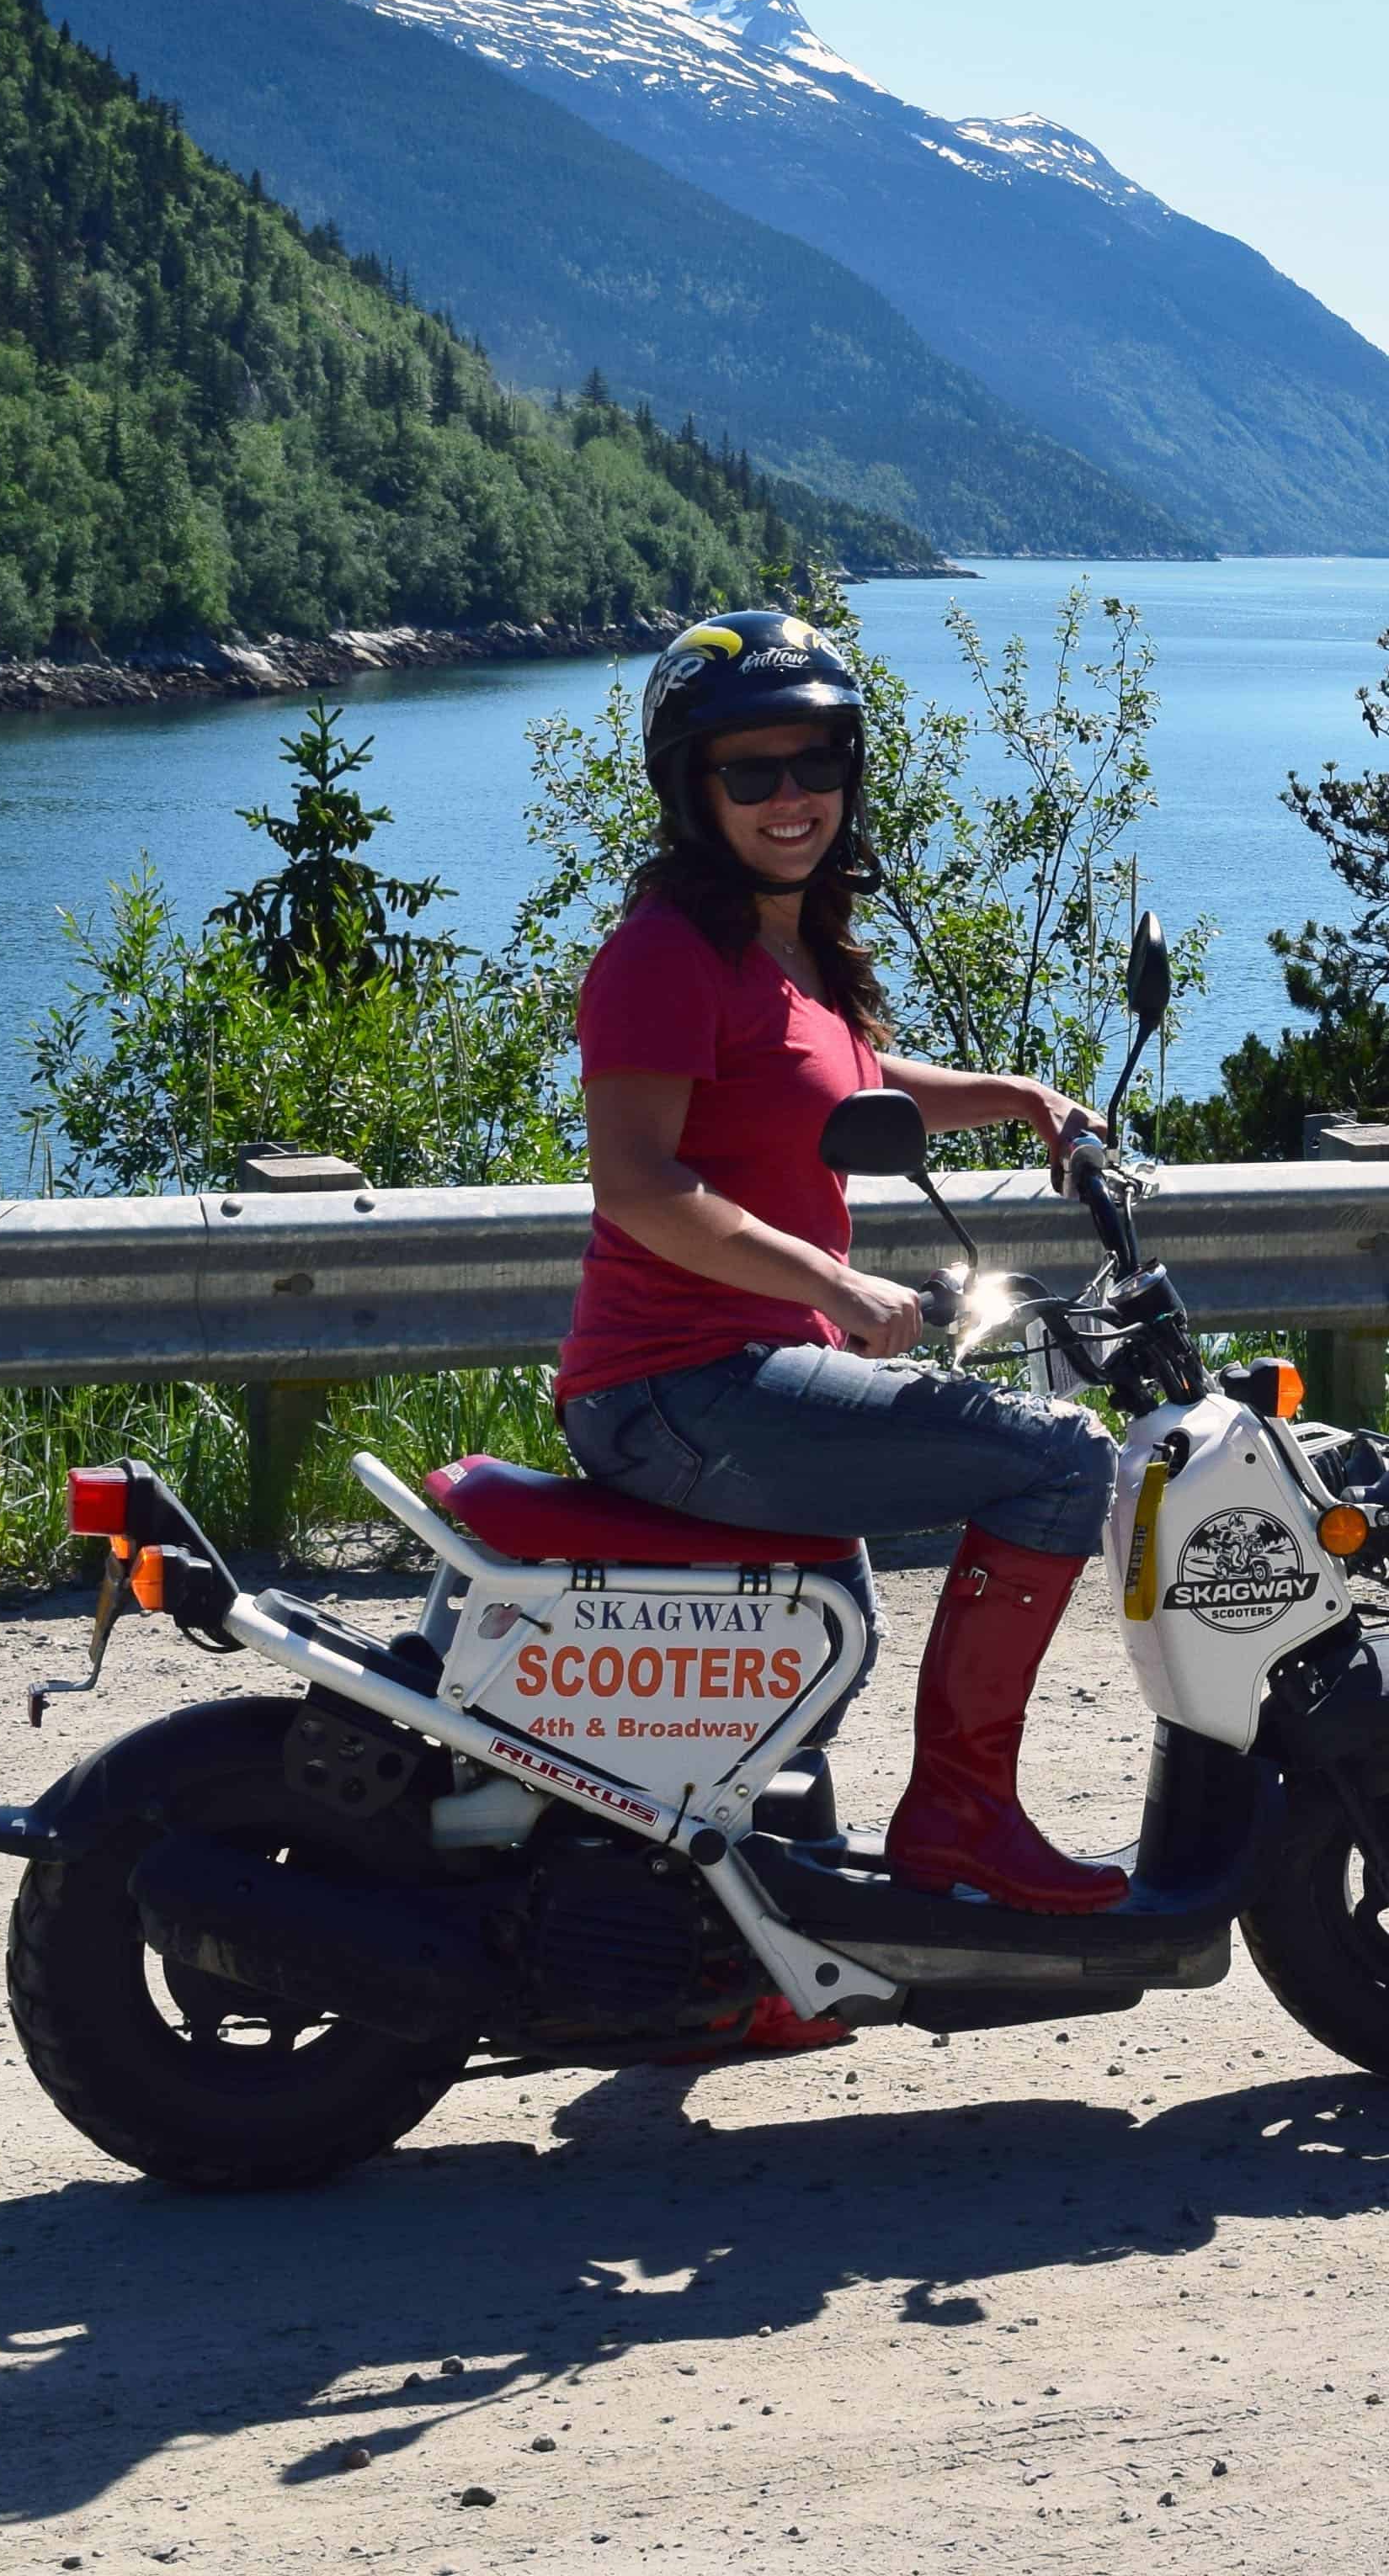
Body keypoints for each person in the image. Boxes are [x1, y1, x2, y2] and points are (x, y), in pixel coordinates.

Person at [548, 608, 1132, 1916]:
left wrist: (1023, 1098)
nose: (789, 796)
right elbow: (638, 1185)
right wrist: (833, 1284)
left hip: (735, 1373)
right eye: (748, 773)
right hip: (676, 1385)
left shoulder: (789, 947)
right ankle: (964, 1821)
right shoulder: (663, 957)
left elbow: (855, 1090)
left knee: (809, 1653)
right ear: (693, 793)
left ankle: (738, 1934)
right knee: (1059, 1460)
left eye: (813, 763)